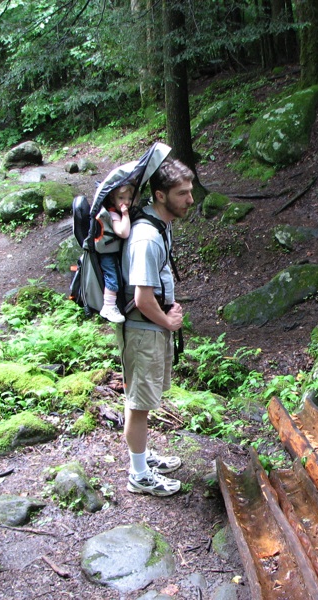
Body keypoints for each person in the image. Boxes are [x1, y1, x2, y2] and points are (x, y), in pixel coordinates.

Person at [121, 158, 194, 496]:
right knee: (139, 402)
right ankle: (139, 475)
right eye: (182, 193)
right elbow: (141, 298)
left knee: (143, 399)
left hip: (150, 328)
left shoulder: (160, 224)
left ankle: (142, 456)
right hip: (143, 329)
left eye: (190, 191)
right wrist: (167, 320)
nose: (190, 200)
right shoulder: (147, 237)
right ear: (160, 196)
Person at [96, 185, 134, 323]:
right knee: (112, 278)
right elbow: (123, 232)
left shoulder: (116, 212)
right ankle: (109, 307)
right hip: (107, 253)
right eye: (121, 198)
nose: (127, 202)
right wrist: (125, 214)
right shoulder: (113, 214)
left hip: (112, 251)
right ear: (112, 198)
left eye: (130, 198)